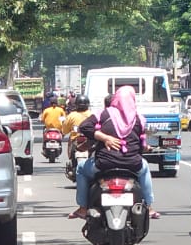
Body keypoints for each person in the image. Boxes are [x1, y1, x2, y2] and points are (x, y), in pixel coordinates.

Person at [68, 85, 159, 220]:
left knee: (81, 169)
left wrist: (104, 138)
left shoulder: (103, 114)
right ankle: (150, 208)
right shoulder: (139, 118)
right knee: (145, 169)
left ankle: (82, 208)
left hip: (104, 164)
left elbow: (84, 127)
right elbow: (141, 142)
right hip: (133, 165)